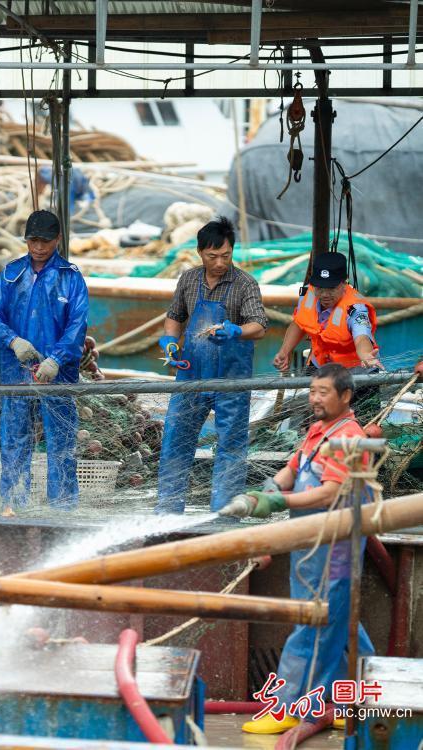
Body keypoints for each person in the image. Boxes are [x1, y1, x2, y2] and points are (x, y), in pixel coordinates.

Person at [219, 364, 374, 735]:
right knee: (342, 625)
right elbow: (289, 473)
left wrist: (276, 504)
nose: (315, 398)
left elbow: (329, 492)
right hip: (309, 543)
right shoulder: (317, 433)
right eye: (312, 391)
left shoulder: (349, 438)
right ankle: (355, 700)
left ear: (346, 396)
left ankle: (290, 706)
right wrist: (261, 493)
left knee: (313, 622)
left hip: (335, 548)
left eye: (323, 392)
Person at [155, 216, 268, 514]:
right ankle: (167, 509)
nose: (220, 262)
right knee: (176, 438)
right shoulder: (189, 280)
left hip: (231, 377)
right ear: (199, 252)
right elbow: (174, 317)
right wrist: (169, 341)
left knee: (230, 445)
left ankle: (224, 513)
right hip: (191, 373)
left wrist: (235, 331)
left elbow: (258, 326)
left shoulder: (245, 284)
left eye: (226, 256)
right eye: (212, 256)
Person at [0, 210, 88, 514]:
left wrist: (56, 359)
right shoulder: (10, 274)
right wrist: (12, 341)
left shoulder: (71, 277)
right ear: (26, 240)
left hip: (58, 374)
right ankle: (13, 504)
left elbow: (77, 324)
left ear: (58, 239)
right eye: (33, 240)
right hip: (15, 371)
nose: (39, 247)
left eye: (45, 241)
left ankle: (63, 507)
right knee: (14, 439)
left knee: (61, 441)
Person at [273, 251, 382, 418]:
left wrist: (367, 356)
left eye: (331, 288)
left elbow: (362, 337)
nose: (324, 295)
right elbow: (299, 323)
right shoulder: (308, 294)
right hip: (320, 369)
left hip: (355, 376)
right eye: (320, 288)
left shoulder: (356, 308)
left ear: (344, 283)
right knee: (312, 424)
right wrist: (284, 351)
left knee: (364, 428)